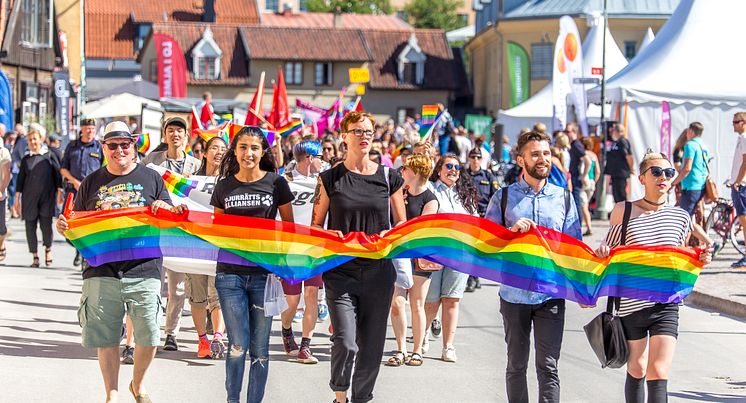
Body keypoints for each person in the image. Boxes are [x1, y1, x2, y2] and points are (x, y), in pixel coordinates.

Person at [56, 121, 186, 403]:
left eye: (124, 144)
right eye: (112, 145)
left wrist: (165, 209)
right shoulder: (91, 182)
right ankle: (111, 393)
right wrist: (65, 227)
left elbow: (171, 217)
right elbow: (78, 228)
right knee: (106, 338)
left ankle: (137, 385)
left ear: (133, 146)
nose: (118, 150)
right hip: (101, 269)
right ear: (103, 148)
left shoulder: (152, 179)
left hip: (145, 266)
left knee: (150, 335)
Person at [595, 151, 712, 403]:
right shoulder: (623, 211)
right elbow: (608, 252)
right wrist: (603, 252)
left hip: (666, 304)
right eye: (656, 172)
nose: (663, 177)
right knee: (636, 368)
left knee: (658, 371)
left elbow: (680, 256)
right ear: (642, 178)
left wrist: (702, 257)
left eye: (669, 173)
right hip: (631, 304)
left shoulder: (680, 216)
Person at [311, 111, 406, 403]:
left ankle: (361, 398)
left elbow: (401, 224)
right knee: (347, 342)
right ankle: (340, 395)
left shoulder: (389, 177)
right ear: (344, 136)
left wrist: (392, 238)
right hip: (341, 272)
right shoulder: (329, 178)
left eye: (368, 131)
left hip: (379, 273)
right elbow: (315, 226)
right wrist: (330, 237)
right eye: (357, 131)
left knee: (373, 346)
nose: (364, 136)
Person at [484, 130, 582, 403]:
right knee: (516, 365)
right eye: (536, 154)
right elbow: (487, 246)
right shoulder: (503, 198)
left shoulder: (564, 198)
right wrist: (510, 232)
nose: (543, 159)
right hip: (513, 294)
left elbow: (574, 249)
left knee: (548, 367)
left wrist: (585, 288)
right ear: (520, 159)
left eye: (547, 153)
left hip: (551, 294)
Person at [211, 126, 295, 403]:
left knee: (260, 349)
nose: (249, 153)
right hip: (229, 276)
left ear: (263, 152)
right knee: (237, 345)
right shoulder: (223, 185)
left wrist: (282, 263)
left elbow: (290, 228)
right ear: (234, 150)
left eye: (255, 148)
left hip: (264, 276)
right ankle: (232, 400)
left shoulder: (276, 183)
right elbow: (217, 228)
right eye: (243, 147)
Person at [142, 116, 201, 352]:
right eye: (171, 131)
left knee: (177, 288)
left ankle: (171, 333)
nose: (175, 134)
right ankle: (151, 329)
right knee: (154, 285)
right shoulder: (151, 162)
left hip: (182, 234)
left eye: (179, 131)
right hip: (156, 231)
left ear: (186, 137)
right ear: (165, 136)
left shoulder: (196, 166)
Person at [423, 153, 478, 363]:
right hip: (435, 253)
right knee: (431, 300)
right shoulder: (430, 189)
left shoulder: (463, 195)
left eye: (457, 167)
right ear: (439, 169)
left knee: (452, 299)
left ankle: (448, 346)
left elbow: (475, 223)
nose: (453, 170)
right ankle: (424, 336)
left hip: (459, 254)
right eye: (449, 166)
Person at [386, 153, 439, 368]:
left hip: (419, 257)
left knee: (417, 303)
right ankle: (401, 349)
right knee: (397, 303)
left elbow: (422, 229)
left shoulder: (430, 199)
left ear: (415, 173)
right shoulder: (399, 194)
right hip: (398, 253)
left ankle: (417, 350)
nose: (402, 172)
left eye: (406, 169)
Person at [280, 140, 325, 364]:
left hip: (315, 249)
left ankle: (306, 346)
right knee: (292, 301)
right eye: (319, 157)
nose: (322, 162)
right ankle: (286, 329)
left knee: (311, 297)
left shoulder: (322, 182)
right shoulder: (285, 182)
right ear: (309, 158)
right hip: (290, 250)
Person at [188, 136, 228, 360]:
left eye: (223, 148)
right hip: (194, 246)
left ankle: (218, 338)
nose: (219, 152)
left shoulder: (231, 181)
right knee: (197, 297)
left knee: (218, 294)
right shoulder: (191, 180)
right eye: (214, 148)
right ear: (204, 153)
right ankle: (202, 339)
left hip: (219, 246)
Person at [60, 117, 105, 266]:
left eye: (92, 129)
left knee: (88, 224)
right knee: (68, 224)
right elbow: (63, 169)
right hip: (73, 191)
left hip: (93, 192)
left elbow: (105, 169)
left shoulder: (99, 147)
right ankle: (79, 249)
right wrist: (74, 181)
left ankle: (83, 254)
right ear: (82, 129)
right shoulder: (72, 146)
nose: (90, 131)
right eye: (87, 129)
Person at [14, 129, 62, 267]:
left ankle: (48, 249)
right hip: (29, 198)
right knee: (30, 226)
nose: (33, 142)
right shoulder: (26, 159)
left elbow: (57, 176)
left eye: (35, 139)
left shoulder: (49, 156)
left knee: (46, 225)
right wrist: (17, 199)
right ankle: (35, 256)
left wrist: (59, 192)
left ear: (41, 139)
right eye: (30, 140)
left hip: (47, 197)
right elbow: (20, 181)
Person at [669, 122, 720, 250]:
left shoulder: (690, 145)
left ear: (691, 131)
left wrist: (674, 182)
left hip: (690, 186)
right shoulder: (703, 145)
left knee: (683, 219)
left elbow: (686, 168)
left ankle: (683, 248)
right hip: (700, 185)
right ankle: (707, 243)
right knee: (689, 220)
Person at [465, 147, 498, 292]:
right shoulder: (463, 175)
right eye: (473, 157)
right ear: (469, 159)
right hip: (468, 215)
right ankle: (471, 278)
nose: (475, 160)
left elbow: (496, 196)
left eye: (478, 157)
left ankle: (475, 276)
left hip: (484, 215)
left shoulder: (488, 176)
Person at [729, 112, 746, 268]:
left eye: (736, 121)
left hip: (742, 185)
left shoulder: (745, 137)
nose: (733, 124)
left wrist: (738, 181)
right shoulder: (742, 138)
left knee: (744, 220)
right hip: (740, 183)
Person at [566, 122, 591, 219]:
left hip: (575, 177)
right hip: (573, 176)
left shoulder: (576, 144)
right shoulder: (572, 144)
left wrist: (584, 175)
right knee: (574, 202)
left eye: (567, 131)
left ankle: (578, 227)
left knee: (576, 203)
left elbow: (587, 160)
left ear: (574, 132)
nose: (566, 134)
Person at [605, 123, 635, 203]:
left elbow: (629, 156)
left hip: (621, 173)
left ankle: (624, 213)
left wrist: (631, 168)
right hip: (615, 173)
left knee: (621, 195)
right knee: (616, 195)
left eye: (613, 130)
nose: (611, 132)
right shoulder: (615, 142)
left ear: (617, 131)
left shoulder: (623, 141)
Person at [580, 137, 601, 236]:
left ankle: (588, 227)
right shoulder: (593, 155)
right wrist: (594, 182)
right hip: (591, 182)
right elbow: (598, 172)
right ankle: (587, 225)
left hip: (583, 181)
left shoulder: (582, 154)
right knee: (586, 204)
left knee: (583, 205)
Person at [0, 139, 10, 262]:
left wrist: (1, 190)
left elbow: (6, 174)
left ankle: (1, 244)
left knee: (1, 227)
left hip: (0, 194)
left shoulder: (4, 152)